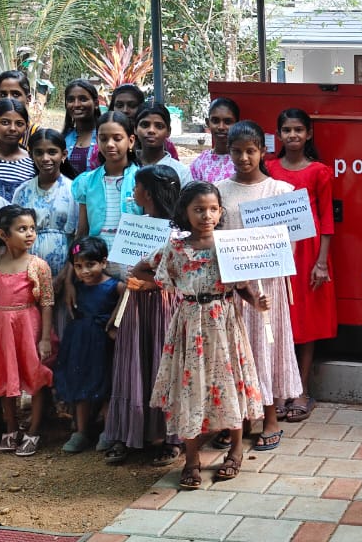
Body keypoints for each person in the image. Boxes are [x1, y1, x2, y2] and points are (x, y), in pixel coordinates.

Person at [135, 182, 268, 491]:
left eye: (212, 209)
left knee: (229, 383)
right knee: (190, 388)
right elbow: (142, 269)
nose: (206, 216)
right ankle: (191, 460)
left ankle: (235, 450)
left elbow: (242, 286)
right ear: (185, 212)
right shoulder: (175, 247)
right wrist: (166, 284)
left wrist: (257, 302)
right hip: (189, 324)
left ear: (220, 212)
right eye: (198, 210)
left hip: (224, 323)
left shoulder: (228, 244)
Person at [217, 120, 303, 452]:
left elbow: (290, 242)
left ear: (263, 151)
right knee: (235, 351)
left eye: (250, 151)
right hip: (232, 286)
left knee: (265, 348)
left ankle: (269, 418)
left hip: (267, 286)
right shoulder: (219, 191)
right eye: (237, 151)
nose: (243, 158)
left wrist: (265, 261)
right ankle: (238, 419)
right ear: (228, 151)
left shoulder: (280, 191)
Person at [102, 165, 184, 466]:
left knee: (164, 366)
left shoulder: (179, 232)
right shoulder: (135, 226)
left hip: (166, 306)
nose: (133, 192)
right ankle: (129, 433)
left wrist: (152, 282)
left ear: (147, 192)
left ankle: (171, 437)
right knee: (133, 365)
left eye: (136, 187)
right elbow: (127, 269)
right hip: (135, 305)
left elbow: (181, 273)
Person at [265, 109, 336, 423]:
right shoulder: (268, 168)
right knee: (279, 321)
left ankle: (302, 390)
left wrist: (321, 263)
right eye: (286, 130)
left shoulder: (320, 171)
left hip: (308, 253)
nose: (292, 135)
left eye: (298, 130)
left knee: (306, 323)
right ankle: (281, 390)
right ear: (279, 134)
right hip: (275, 250)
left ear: (308, 134)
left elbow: (327, 220)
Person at [0, 205, 55, 457]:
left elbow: (46, 301)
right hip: (0, 328)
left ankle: (34, 430)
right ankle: (11, 426)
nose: (30, 234)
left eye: (32, 228)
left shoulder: (38, 265)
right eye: (22, 229)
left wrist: (45, 338)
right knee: (4, 376)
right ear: (3, 234)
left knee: (36, 377)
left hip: (29, 327)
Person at [55, 237, 124, 453]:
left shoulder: (116, 286)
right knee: (80, 383)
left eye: (90, 264)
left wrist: (114, 322)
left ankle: (108, 431)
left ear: (103, 262)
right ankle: (81, 432)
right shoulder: (76, 287)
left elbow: (125, 302)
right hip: (80, 343)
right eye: (78, 266)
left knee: (106, 385)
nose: (84, 271)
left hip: (104, 343)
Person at [71, 112, 143, 279]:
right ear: (97, 141)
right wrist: (73, 268)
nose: (110, 144)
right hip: (96, 268)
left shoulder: (142, 180)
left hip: (133, 266)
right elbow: (82, 230)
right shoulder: (87, 181)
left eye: (117, 138)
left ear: (131, 141)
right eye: (103, 139)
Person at [11, 129, 77, 279]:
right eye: (39, 153)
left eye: (52, 152)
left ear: (63, 155)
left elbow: (79, 235)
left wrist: (64, 278)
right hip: (27, 271)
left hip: (65, 271)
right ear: (31, 155)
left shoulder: (74, 190)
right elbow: (14, 234)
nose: (45, 158)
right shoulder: (22, 191)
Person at [0, 99, 37, 199]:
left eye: (19, 124)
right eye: (5, 122)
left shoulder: (33, 162)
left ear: (26, 127)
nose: (12, 128)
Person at [108, 84, 181, 159]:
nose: (125, 110)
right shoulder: (105, 141)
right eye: (119, 106)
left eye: (132, 106)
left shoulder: (163, 144)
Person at [0, 70, 40, 148]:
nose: (8, 99)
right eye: (3, 95)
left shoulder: (37, 134)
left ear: (28, 98)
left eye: (16, 94)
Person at [134, 104, 193, 186]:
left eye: (159, 126)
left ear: (168, 131)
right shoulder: (125, 166)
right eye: (145, 125)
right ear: (135, 129)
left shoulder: (181, 172)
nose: (151, 130)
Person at [189, 98, 240, 183]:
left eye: (227, 122)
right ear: (208, 123)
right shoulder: (199, 163)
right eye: (215, 121)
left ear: (237, 124)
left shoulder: (243, 161)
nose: (221, 127)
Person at [62, 80, 101, 175]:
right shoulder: (64, 138)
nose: (76, 104)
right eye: (71, 100)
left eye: (83, 99)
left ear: (96, 103)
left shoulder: (105, 137)